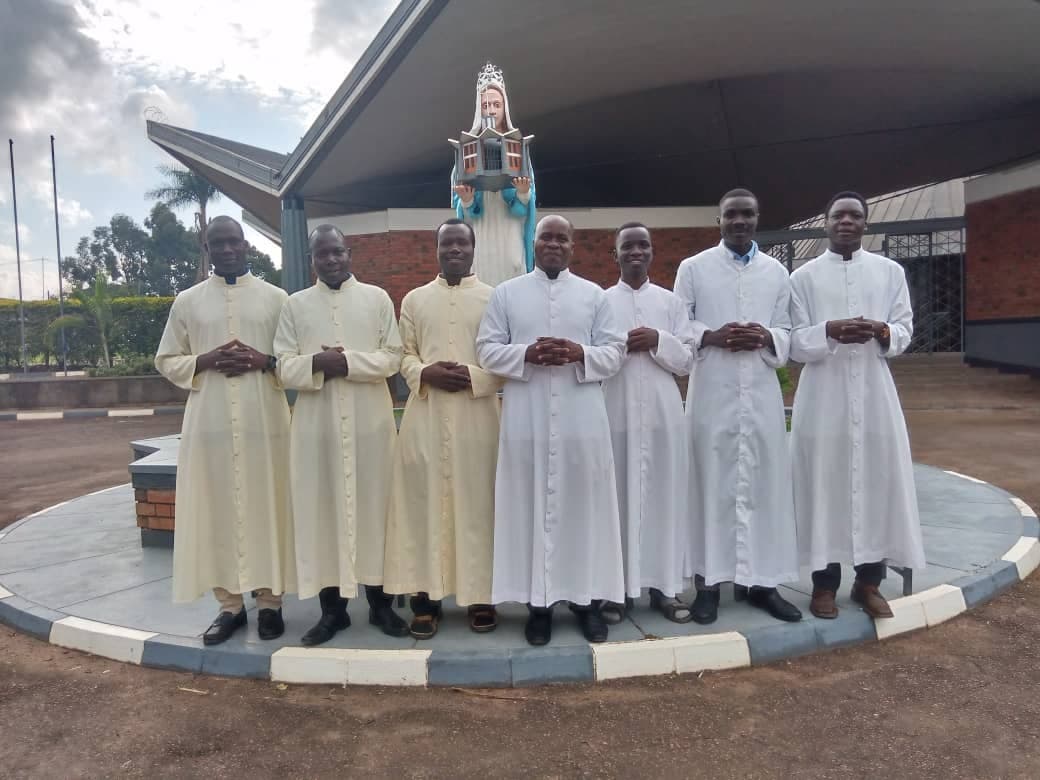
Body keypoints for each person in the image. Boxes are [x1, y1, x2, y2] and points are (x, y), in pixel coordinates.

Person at [476, 214, 625, 646]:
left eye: (562, 239)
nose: (554, 245)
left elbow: (614, 351)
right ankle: (537, 607)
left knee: (585, 509)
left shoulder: (594, 295)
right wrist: (527, 355)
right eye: (546, 238)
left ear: (572, 246)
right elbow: (486, 349)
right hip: (527, 418)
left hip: (583, 419)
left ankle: (587, 604)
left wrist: (581, 352)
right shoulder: (507, 293)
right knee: (530, 506)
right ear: (535, 244)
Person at [155, 215, 295, 645]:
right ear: (207, 249)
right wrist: (205, 359)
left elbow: (292, 359)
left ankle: (270, 603)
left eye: (234, 242)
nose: (228, 250)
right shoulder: (188, 301)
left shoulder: (277, 299)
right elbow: (167, 359)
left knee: (267, 505)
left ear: (247, 246)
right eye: (219, 244)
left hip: (264, 419)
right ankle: (229, 605)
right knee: (218, 509)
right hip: (210, 420)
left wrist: (264, 361)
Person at [790, 191, 925, 620]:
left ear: (865, 224)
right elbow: (792, 340)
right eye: (837, 215)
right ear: (825, 223)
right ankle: (823, 584)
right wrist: (828, 330)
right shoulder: (804, 278)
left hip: (874, 392)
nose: (845, 221)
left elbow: (905, 330)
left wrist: (882, 331)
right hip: (822, 395)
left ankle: (869, 582)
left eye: (854, 216)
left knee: (876, 481)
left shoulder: (889, 272)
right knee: (823, 484)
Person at [274, 224, 408, 644]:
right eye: (321, 254)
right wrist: (317, 362)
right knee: (322, 513)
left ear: (350, 253)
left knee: (376, 511)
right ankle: (332, 613)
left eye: (337, 252)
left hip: (370, 426)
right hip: (317, 428)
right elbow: (281, 366)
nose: (330, 260)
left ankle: (381, 607)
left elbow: (393, 357)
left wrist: (345, 362)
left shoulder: (377, 298)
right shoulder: (295, 306)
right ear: (312, 260)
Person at [674, 189, 802, 625]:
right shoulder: (693, 269)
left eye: (748, 214)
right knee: (710, 483)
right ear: (719, 221)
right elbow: (679, 326)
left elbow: (788, 330)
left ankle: (762, 584)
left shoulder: (777, 272)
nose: (740, 221)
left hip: (762, 394)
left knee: (762, 484)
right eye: (732, 214)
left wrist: (766, 337)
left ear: (757, 219)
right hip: (712, 390)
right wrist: (711, 335)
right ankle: (708, 585)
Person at [383, 219, 504, 638]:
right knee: (423, 504)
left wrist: (474, 375)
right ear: (435, 249)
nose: (454, 249)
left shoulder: (495, 298)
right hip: (427, 415)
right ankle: (425, 599)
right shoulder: (415, 300)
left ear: (473, 249)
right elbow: (403, 355)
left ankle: (480, 596)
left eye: (461, 242)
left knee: (479, 503)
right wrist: (425, 372)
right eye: (446, 243)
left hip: (479, 418)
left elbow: (505, 359)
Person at [600, 223, 694, 624]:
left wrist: (658, 339)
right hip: (614, 410)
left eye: (643, 246)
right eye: (627, 246)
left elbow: (687, 359)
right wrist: (622, 347)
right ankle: (615, 592)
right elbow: (593, 354)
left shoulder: (671, 303)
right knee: (615, 499)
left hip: (662, 412)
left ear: (652, 253)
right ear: (615, 254)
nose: (636, 252)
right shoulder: (599, 301)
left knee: (663, 498)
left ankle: (665, 588)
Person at [452, 62, 535, 287]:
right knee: (482, 270)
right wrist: (467, 202)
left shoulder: (517, 149)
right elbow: (463, 211)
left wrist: (523, 193)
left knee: (513, 266)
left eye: (496, 104)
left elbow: (524, 209)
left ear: (504, 107)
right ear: (479, 109)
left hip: (509, 227)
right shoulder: (466, 150)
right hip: (482, 229)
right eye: (486, 104)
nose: (491, 109)